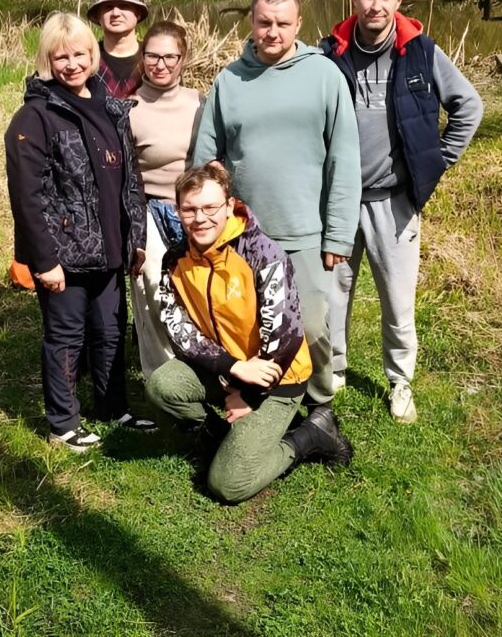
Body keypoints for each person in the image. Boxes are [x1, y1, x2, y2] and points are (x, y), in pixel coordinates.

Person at [193, 0, 361, 443]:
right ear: (251, 22)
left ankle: (320, 404)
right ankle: (259, 394)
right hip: (245, 233)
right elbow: (205, 158)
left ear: (299, 24)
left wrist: (338, 234)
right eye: (264, 22)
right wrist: (208, 221)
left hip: (305, 230)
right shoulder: (229, 81)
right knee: (253, 324)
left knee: (312, 325)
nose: (272, 32)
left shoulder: (325, 76)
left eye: (282, 24)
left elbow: (344, 159)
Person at [320, 0, 484, 423]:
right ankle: (333, 370)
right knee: (333, 294)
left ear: (398, 0)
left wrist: (436, 160)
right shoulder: (327, 54)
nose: (375, 5)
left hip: (394, 201)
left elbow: (469, 106)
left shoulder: (422, 52)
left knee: (397, 299)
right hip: (337, 201)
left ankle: (400, 381)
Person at [147, 164, 353, 504]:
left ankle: (312, 435)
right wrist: (231, 367)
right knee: (162, 385)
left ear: (229, 206)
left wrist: (251, 396)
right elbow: (178, 329)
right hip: (231, 369)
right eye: (189, 209)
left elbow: (285, 335)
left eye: (210, 207)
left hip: (279, 379)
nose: (200, 218)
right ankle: (222, 441)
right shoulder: (175, 261)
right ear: (178, 211)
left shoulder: (261, 253)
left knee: (227, 486)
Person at [5, 12, 154, 452]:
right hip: (64, 255)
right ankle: (63, 424)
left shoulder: (110, 107)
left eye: (79, 55)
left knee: (110, 331)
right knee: (66, 337)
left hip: (110, 247)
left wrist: (136, 239)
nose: (71, 64)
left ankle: (112, 407)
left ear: (93, 56)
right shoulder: (35, 116)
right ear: (47, 61)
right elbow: (27, 198)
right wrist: (44, 260)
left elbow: (130, 181)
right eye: (61, 57)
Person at [129, 21, 203, 377]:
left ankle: (203, 365)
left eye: (169, 57)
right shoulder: (129, 109)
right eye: (152, 56)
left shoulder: (200, 103)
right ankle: (162, 375)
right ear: (142, 58)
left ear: (182, 59)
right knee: (153, 288)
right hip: (149, 208)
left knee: (198, 290)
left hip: (196, 209)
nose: (160, 64)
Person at [87, 0, 148, 98]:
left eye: (124, 6)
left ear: (138, 13)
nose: (115, 13)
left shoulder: (153, 57)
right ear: (98, 16)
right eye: (108, 7)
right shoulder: (87, 58)